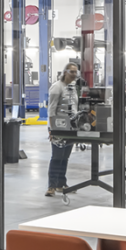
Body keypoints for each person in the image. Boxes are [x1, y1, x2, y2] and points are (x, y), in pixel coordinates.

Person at [45, 62, 80, 197]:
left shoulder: (73, 88)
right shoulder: (57, 87)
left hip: (71, 127)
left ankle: (61, 184)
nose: (74, 74)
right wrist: (52, 130)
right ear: (65, 72)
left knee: (65, 157)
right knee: (57, 157)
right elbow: (51, 110)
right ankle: (51, 186)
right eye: (72, 72)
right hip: (59, 127)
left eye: (76, 72)